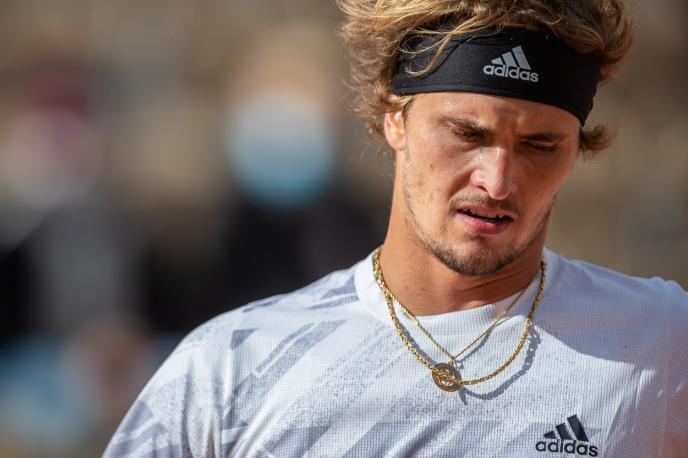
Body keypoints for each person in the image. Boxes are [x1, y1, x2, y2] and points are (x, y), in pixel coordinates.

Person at [104, 0, 688, 456]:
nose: (498, 181)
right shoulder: (229, 367)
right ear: (395, 120)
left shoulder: (661, 338)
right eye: (467, 133)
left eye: (540, 145)